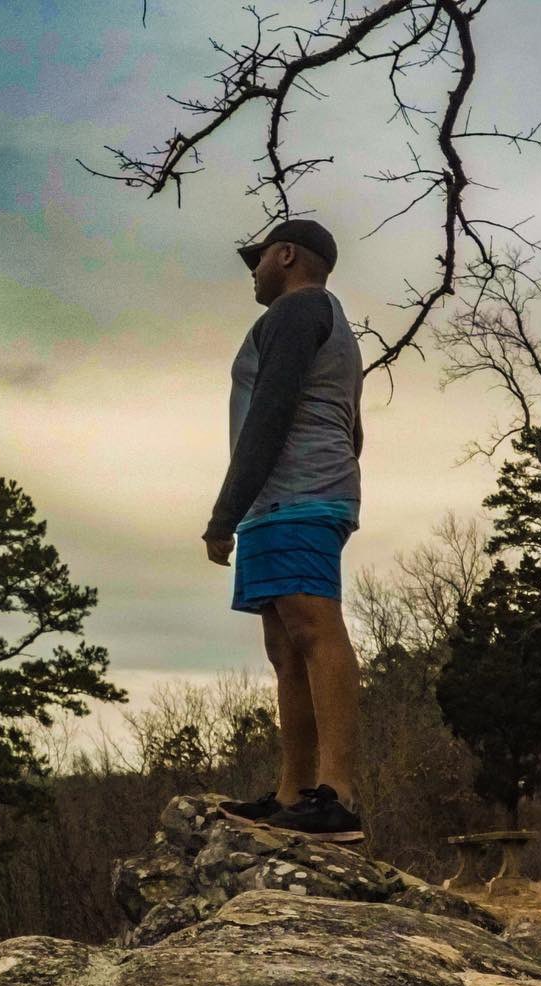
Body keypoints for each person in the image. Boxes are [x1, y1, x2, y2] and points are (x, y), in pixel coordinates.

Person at [203, 219, 365, 843]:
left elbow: (269, 414)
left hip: (299, 493)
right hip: (285, 499)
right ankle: (293, 793)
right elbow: (353, 427)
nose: (253, 267)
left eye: (260, 255)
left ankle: (338, 796)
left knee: (312, 627)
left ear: (288, 255)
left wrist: (224, 513)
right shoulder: (327, 322)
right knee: (283, 646)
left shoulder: (299, 312)